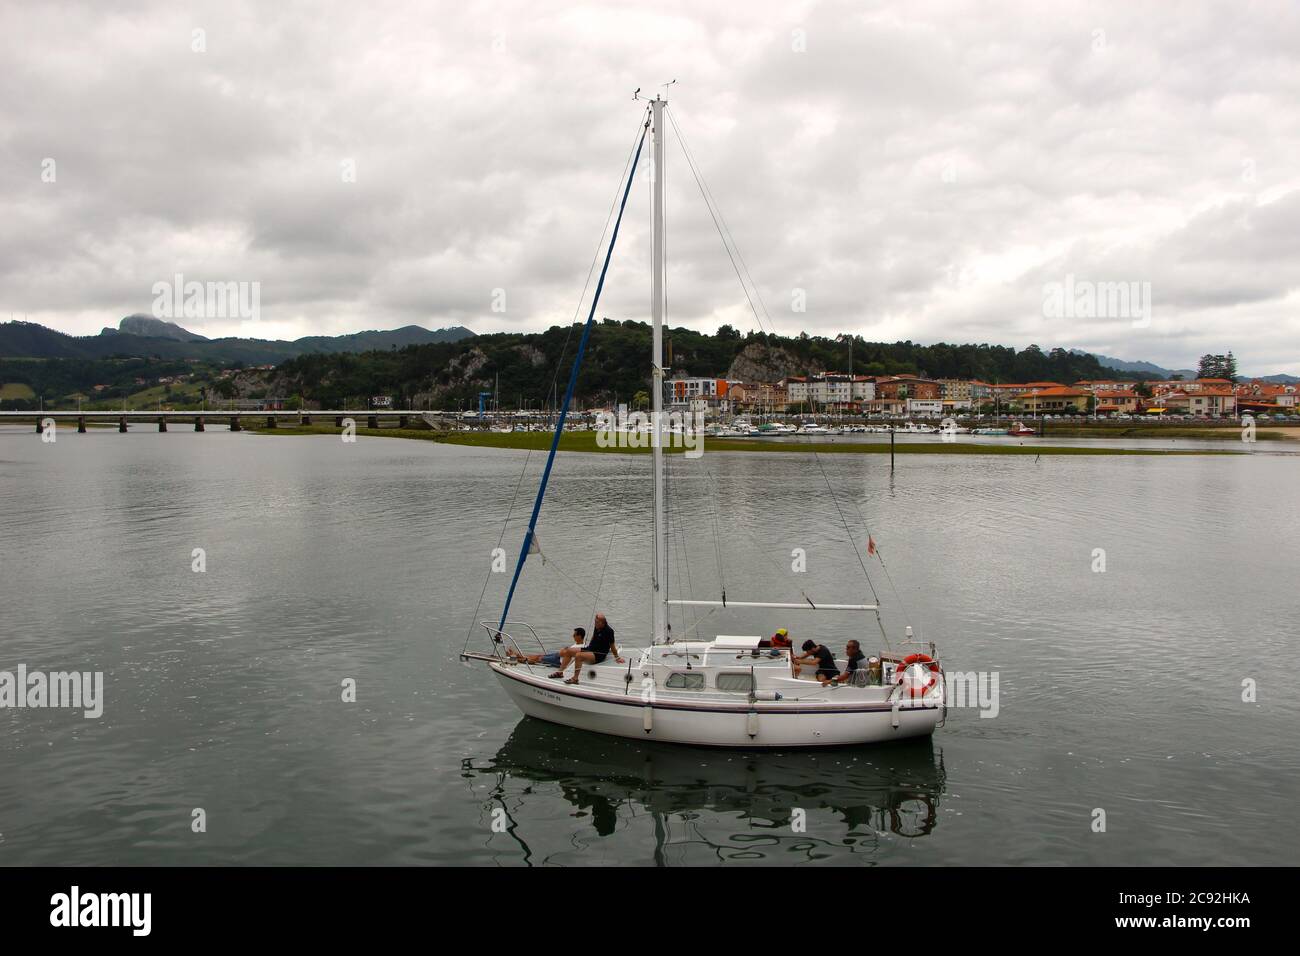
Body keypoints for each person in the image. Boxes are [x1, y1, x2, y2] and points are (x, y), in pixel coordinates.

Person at [551, 613, 623, 684]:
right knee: (568, 651)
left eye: (597, 622)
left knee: (579, 656)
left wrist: (617, 657)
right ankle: (560, 672)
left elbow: (612, 645)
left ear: (602, 622)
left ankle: (575, 678)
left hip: (598, 654)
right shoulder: (597, 627)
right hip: (590, 649)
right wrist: (589, 645)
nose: (595, 624)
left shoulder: (609, 631)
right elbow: (594, 637)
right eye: (595, 621)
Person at [507, 627, 584, 668]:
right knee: (539, 656)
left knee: (538, 659)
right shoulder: (578, 645)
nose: (572, 636)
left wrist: (565, 650)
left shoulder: (581, 647)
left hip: (559, 662)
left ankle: (516, 659)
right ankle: (517, 655)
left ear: (579, 636)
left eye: (574, 635)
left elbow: (567, 655)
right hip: (558, 656)